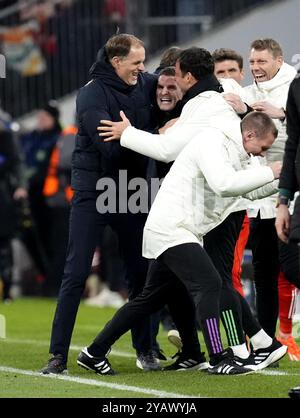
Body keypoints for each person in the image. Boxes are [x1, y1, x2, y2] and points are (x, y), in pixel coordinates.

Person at [98, 47, 279, 362]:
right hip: (197, 216)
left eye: (175, 76)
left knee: (212, 282)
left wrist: (127, 134)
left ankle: (237, 348)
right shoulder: (222, 98)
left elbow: (168, 150)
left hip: (212, 211)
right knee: (203, 285)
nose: (171, 85)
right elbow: (228, 172)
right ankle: (237, 348)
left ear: (189, 76)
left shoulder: (204, 108)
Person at [78, 111, 286, 376]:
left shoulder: (239, 150)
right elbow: (224, 185)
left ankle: (94, 352)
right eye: (263, 148)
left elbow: (249, 190)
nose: (262, 154)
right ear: (249, 135)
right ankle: (219, 356)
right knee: (211, 283)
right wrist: (271, 170)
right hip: (172, 228)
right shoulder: (212, 141)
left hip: (179, 230)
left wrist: (280, 180)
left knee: (148, 299)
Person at [41, 33, 161, 375]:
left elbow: (173, 87)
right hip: (94, 188)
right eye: (136, 62)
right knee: (76, 272)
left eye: (144, 61)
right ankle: (57, 356)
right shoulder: (91, 93)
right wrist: (149, 138)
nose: (142, 68)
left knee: (140, 272)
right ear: (116, 62)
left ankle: (146, 349)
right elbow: (109, 149)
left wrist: (132, 133)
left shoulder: (147, 82)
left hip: (132, 186)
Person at [241, 39, 299, 348]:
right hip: (260, 194)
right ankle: (266, 340)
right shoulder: (248, 93)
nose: (256, 68)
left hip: (292, 191)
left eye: (261, 62)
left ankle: (287, 334)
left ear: (278, 61)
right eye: (252, 63)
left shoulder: (294, 86)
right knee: (263, 271)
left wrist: (283, 114)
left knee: (290, 268)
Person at [0, 111, 27, 301]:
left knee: (3, 244)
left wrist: (20, 186)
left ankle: (7, 288)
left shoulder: (6, 136)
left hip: (3, 196)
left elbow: (17, 163)